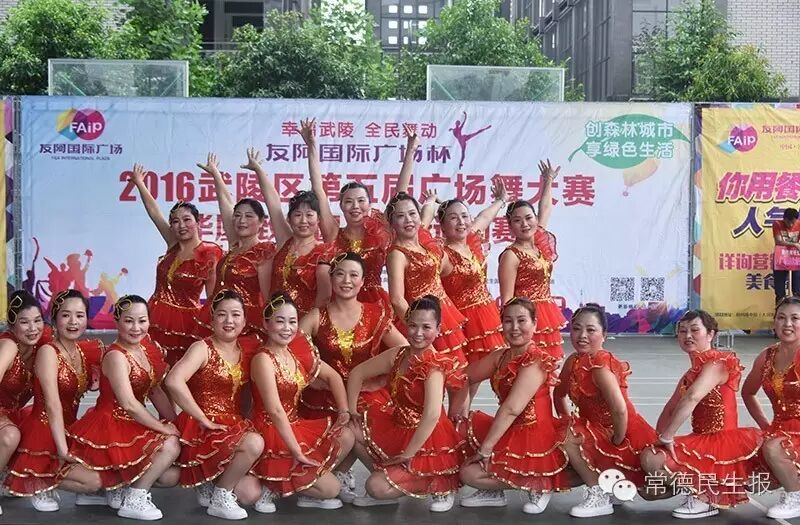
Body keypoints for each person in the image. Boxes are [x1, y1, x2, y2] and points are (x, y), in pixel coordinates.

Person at [298, 252, 408, 500]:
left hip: (365, 394)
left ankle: (382, 484)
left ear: (362, 281)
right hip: (325, 397)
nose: (346, 280)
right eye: (339, 274)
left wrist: (381, 378)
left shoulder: (376, 314)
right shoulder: (316, 316)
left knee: (362, 426)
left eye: (353, 275)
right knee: (343, 429)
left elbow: (404, 351)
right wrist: (313, 380)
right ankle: (322, 481)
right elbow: (292, 352)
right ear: (331, 279)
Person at [346, 296, 466, 512]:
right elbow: (357, 374)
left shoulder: (434, 366)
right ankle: (392, 478)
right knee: (351, 429)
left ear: (438, 329)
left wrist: (409, 453)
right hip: (397, 426)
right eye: (413, 326)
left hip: (428, 438)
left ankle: (439, 483)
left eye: (426, 327)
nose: (418, 333)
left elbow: (431, 415)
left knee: (374, 487)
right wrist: (351, 410)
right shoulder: (398, 355)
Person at [453, 297, 571, 514]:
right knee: (458, 428)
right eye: (508, 321)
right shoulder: (500, 356)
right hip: (508, 429)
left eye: (521, 320)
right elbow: (463, 377)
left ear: (535, 324)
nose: (514, 327)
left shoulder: (536, 360)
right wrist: (458, 408)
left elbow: (511, 408)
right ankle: (494, 491)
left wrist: (486, 448)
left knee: (468, 473)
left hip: (534, 435)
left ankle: (539, 481)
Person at [67, 295, 180, 521]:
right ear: (117, 322)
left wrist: (177, 424)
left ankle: (114, 489)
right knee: (170, 445)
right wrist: (163, 428)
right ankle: (135, 498)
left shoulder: (147, 349)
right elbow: (129, 404)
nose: (136, 328)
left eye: (142, 321)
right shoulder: (116, 356)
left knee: (172, 475)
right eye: (129, 321)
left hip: (134, 421)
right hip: (112, 422)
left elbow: (156, 391)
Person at [640, 309, 761, 519]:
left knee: (652, 460)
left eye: (695, 330)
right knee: (650, 472)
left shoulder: (718, 362)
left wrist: (667, 437)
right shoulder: (691, 373)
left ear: (711, 334)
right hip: (701, 441)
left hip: (723, 443)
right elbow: (670, 408)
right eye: (682, 331)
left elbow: (692, 397)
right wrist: (656, 440)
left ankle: (705, 497)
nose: (688, 336)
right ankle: (693, 488)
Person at [249, 293, 355, 512]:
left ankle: (297, 485)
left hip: (295, 424)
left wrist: (344, 412)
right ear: (266, 324)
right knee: (332, 489)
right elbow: (275, 410)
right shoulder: (263, 359)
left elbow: (333, 376)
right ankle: (273, 485)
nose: (287, 328)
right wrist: (297, 452)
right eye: (280, 321)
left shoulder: (295, 353)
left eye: (292, 322)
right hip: (270, 430)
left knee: (346, 435)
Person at [165, 290, 264, 519]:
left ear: (245, 321)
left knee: (250, 494)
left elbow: (247, 394)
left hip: (231, 425)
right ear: (211, 320)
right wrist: (202, 418)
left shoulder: (248, 350)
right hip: (201, 427)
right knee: (254, 443)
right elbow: (173, 381)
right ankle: (221, 495)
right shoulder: (202, 348)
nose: (229, 321)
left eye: (236, 315)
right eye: (222, 315)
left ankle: (211, 483)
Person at [5, 290, 105, 511]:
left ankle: (47, 476)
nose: (73, 322)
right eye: (66, 315)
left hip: (70, 428)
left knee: (100, 478)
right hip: (43, 431)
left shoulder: (83, 352)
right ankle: (36, 479)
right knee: (93, 481)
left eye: (79, 315)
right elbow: (52, 404)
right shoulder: (48, 352)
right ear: (54, 318)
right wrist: (62, 449)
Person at [555, 303, 657, 518]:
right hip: (594, 430)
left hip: (623, 432)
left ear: (604, 334)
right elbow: (558, 394)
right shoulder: (573, 361)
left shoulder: (600, 365)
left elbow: (620, 410)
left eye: (590, 330)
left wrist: (617, 441)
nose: (582, 335)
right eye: (576, 328)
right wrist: (567, 422)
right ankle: (600, 489)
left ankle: (700, 491)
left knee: (651, 492)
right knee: (564, 435)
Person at [309, 120, 416, 313]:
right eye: (349, 201)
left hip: (376, 304)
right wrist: (311, 146)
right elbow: (319, 190)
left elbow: (400, 194)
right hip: (340, 304)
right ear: (341, 206)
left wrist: (411, 149)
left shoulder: (381, 229)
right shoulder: (334, 234)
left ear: (369, 204)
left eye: (360, 201)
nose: (355, 206)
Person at [130, 163, 223, 365]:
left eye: (187, 220)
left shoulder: (210, 254)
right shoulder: (173, 244)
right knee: (152, 367)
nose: (181, 226)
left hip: (186, 324)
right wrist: (139, 184)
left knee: (178, 371)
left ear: (198, 222)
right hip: (155, 316)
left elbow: (213, 297)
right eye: (175, 221)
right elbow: (155, 213)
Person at [241, 137, 331, 317]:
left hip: (305, 325)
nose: (303, 220)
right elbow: (273, 202)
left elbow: (324, 299)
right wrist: (259, 171)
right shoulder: (285, 241)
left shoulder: (324, 253)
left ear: (319, 219)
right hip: (274, 322)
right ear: (289, 219)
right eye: (297, 215)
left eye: (309, 215)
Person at [196, 154, 276, 341]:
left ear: (262, 222)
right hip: (220, 316)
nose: (241, 221)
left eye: (249, 216)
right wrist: (216, 175)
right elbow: (225, 204)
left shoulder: (263, 252)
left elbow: (267, 297)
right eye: (238, 216)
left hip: (246, 322)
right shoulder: (234, 246)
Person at [498, 160, 565, 359]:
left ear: (535, 219)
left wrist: (548, 181)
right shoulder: (511, 255)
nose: (525, 224)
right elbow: (507, 300)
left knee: (549, 366)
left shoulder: (540, 243)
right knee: (527, 365)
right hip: (525, 318)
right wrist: (512, 329)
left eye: (529, 218)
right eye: (517, 221)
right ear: (510, 226)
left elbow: (546, 208)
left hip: (547, 315)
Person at [742, 296, 800, 519]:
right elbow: (748, 392)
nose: (787, 324)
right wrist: (766, 426)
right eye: (781, 318)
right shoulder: (766, 356)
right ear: (774, 322)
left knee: (774, 448)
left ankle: (796, 496)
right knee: (750, 480)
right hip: (780, 431)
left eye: (795, 318)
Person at [0, 290, 51, 515]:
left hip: (13, 412)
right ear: (12, 325)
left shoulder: (42, 345)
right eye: (24, 322)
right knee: (10, 436)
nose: (33, 328)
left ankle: (19, 477)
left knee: (45, 421)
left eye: (37, 320)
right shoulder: (9, 346)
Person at [772, 208, 800, 303]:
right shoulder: (777, 224)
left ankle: (797, 310)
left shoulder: (799, 224)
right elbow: (778, 241)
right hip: (780, 258)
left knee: (797, 288)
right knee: (779, 289)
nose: (791, 225)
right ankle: (780, 308)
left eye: (793, 222)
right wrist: (795, 244)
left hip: (795, 258)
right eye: (788, 222)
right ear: (784, 219)